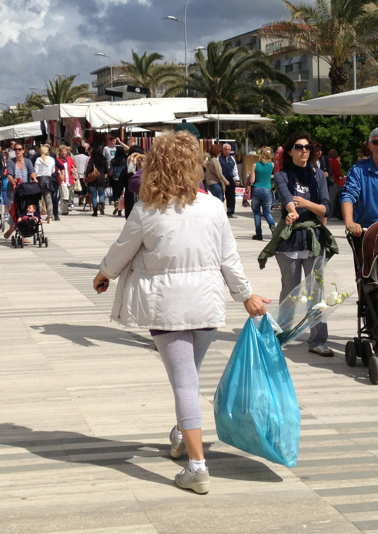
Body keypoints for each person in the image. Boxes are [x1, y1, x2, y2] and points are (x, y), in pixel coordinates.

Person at [92, 131, 269, 495]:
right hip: (206, 305)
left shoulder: (146, 209)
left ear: (156, 164)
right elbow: (229, 259)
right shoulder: (214, 207)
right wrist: (246, 295)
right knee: (189, 377)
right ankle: (179, 435)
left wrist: (104, 274)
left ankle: (197, 466)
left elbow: (122, 249)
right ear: (195, 165)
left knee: (185, 383)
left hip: (166, 306)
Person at [270, 131, 333, 357]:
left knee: (316, 291)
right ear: (290, 151)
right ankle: (282, 334)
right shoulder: (282, 175)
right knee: (291, 290)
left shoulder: (319, 176)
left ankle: (317, 339)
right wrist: (293, 211)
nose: (304, 150)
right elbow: (286, 198)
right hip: (290, 240)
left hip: (314, 239)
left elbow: (326, 207)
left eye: (307, 147)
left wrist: (307, 203)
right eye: (298, 147)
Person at [4, 143, 38, 238]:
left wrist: (34, 179)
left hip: (25, 191)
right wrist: (12, 180)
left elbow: (32, 172)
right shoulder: (11, 162)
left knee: (24, 211)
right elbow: (9, 174)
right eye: (16, 149)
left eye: (19, 149)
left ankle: (23, 235)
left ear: (23, 150)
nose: (17, 151)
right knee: (13, 212)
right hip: (13, 191)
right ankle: (11, 228)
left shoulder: (27, 161)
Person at [248, 146, 275, 241]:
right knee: (267, 212)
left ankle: (259, 234)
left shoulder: (255, 165)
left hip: (257, 189)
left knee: (257, 213)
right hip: (267, 189)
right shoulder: (272, 165)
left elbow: (252, 180)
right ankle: (273, 227)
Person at [34, 144, 57, 222]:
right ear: (48, 151)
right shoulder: (52, 159)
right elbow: (53, 171)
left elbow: (36, 171)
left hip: (39, 180)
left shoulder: (38, 159)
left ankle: (38, 216)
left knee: (39, 199)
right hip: (48, 179)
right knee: (48, 199)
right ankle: (50, 216)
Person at [85, 146, 109, 216]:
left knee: (94, 195)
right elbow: (107, 170)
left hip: (92, 179)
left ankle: (95, 211)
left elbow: (88, 170)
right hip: (101, 179)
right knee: (101, 193)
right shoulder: (103, 159)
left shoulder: (91, 160)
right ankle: (101, 203)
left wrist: (87, 179)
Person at [219, 144, 240, 217]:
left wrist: (237, 179)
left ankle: (230, 211)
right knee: (220, 196)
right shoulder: (219, 158)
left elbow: (235, 169)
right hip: (221, 179)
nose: (227, 151)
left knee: (231, 196)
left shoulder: (232, 159)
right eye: (225, 149)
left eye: (228, 149)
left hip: (230, 179)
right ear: (223, 150)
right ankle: (220, 212)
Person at [109, 146, 129, 217]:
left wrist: (110, 176)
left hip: (115, 178)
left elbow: (111, 171)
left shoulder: (113, 160)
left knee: (115, 194)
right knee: (122, 194)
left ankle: (116, 204)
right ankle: (120, 209)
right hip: (123, 178)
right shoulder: (125, 160)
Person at [327, 148, 345, 219]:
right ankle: (330, 215)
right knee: (333, 199)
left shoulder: (327, 161)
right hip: (334, 182)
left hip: (328, 181)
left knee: (328, 198)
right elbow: (337, 172)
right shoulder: (335, 162)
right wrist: (343, 175)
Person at [73, 145, 91, 209]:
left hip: (77, 174)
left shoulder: (75, 157)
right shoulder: (87, 157)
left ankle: (79, 197)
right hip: (84, 174)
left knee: (77, 187)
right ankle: (82, 199)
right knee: (84, 189)